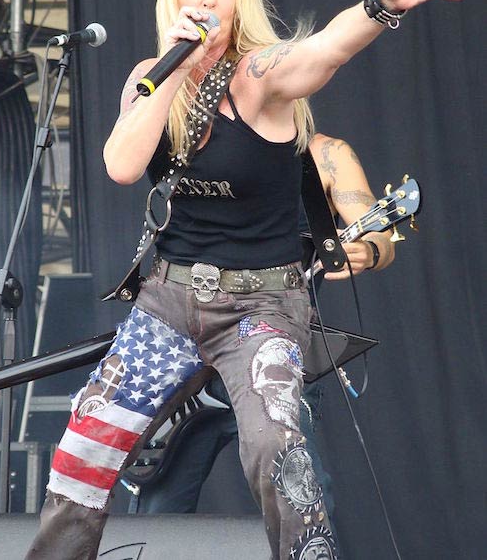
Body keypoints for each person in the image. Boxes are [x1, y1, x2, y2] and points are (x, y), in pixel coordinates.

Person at [24, 0, 471, 560]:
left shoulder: (259, 75)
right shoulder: (152, 77)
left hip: (258, 309)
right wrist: (174, 72)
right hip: (169, 303)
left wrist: (382, 4)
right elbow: (121, 165)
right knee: (85, 447)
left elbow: (323, 50)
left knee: (275, 450)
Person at [122, 130, 396, 555]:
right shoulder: (195, 139)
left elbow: (377, 228)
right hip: (188, 358)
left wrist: (371, 249)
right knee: (159, 505)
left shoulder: (326, 153)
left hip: (274, 355)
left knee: (303, 494)